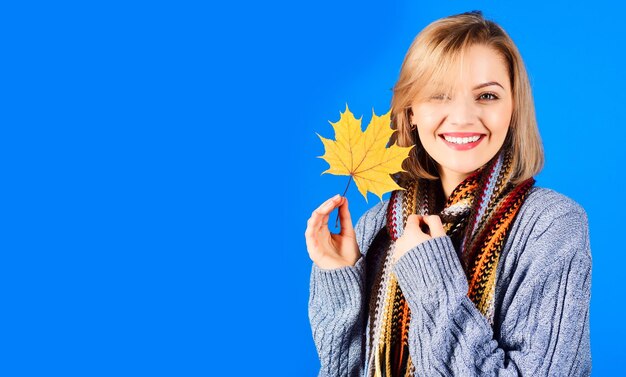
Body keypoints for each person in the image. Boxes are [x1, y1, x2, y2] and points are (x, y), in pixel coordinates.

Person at [304, 10, 591, 377]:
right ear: (410, 112)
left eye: (487, 95)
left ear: (513, 108)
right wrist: (340, 280)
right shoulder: (377, 225)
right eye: (439, 95)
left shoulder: (551, 225)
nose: (463, 117)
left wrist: (431, 282)